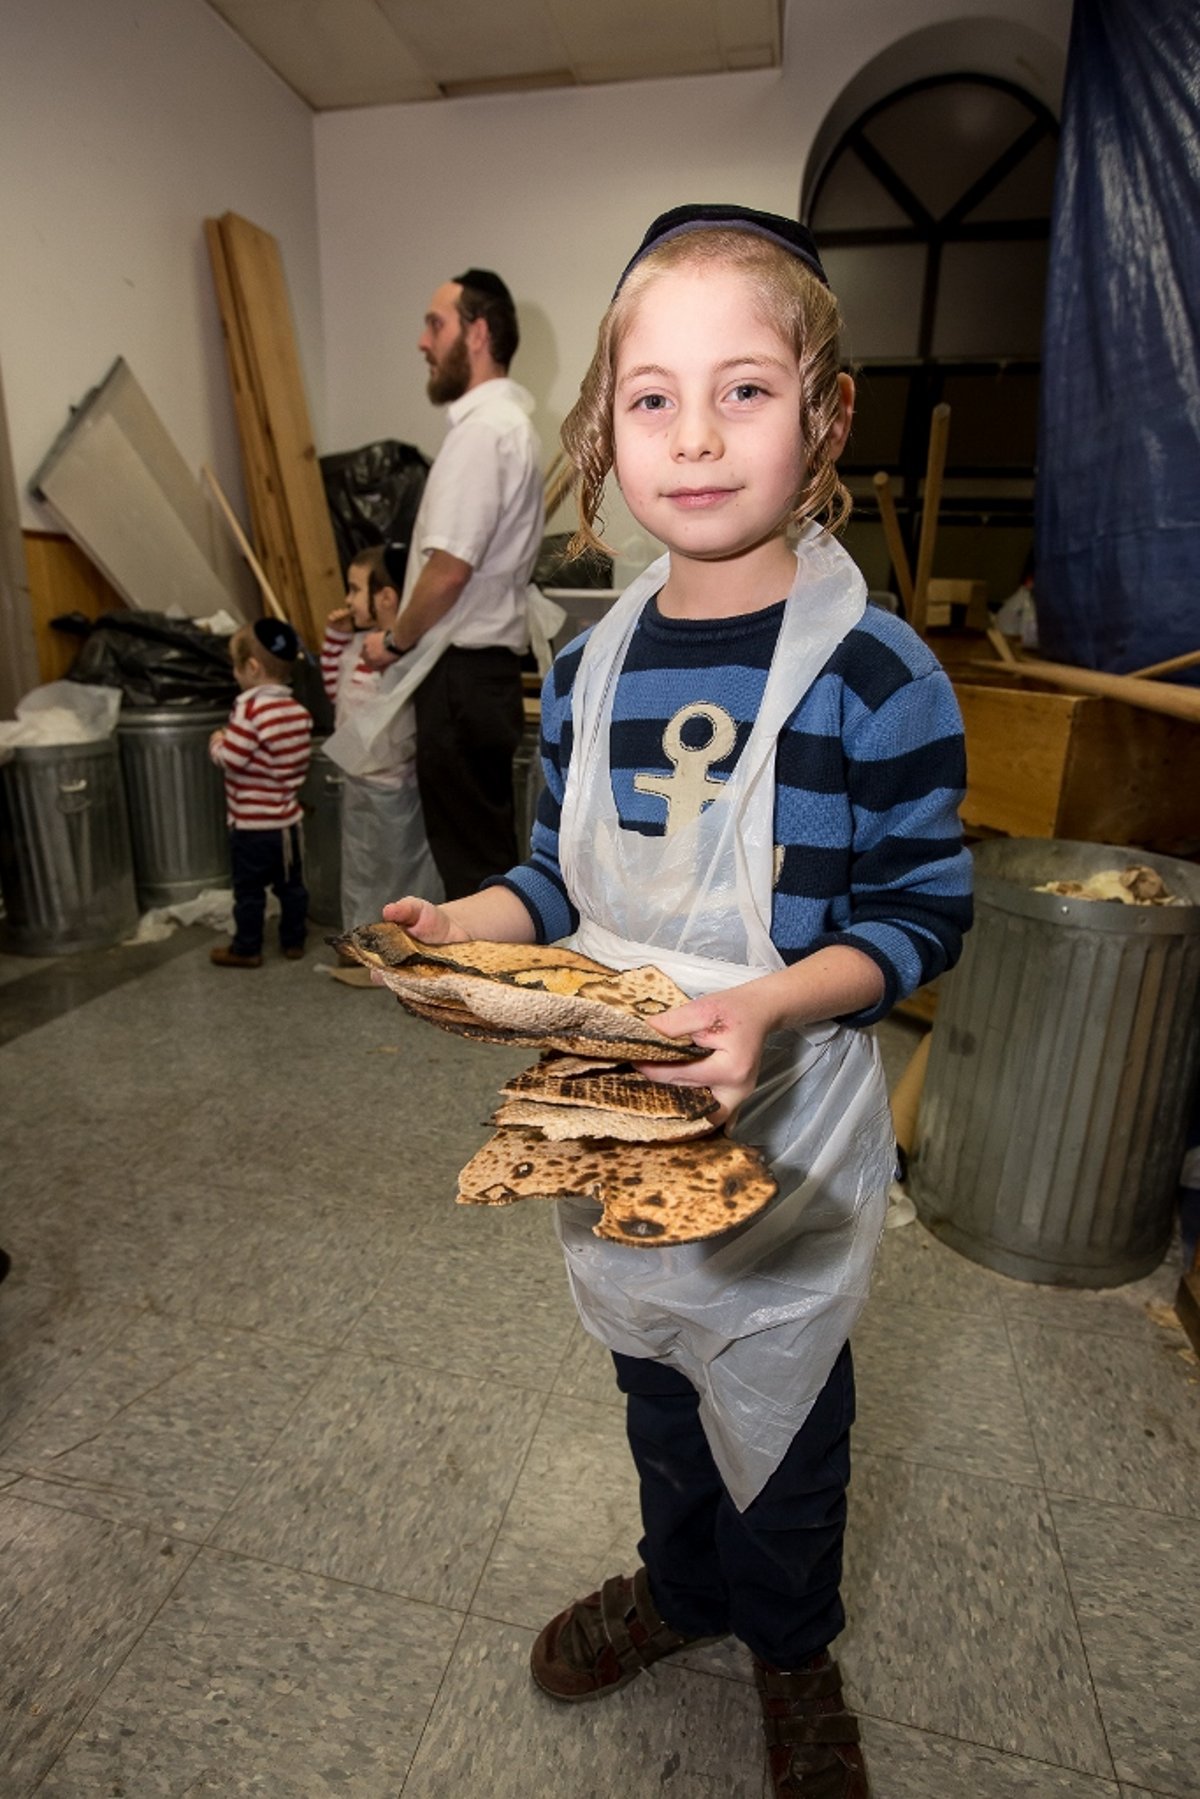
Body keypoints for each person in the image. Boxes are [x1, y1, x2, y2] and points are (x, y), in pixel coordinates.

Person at [378, 204, 973, 1798]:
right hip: (621, 1130)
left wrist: (777, 1002)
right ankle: (682, 1587)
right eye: (654, 396)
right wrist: (470, 924)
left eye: (747, 391)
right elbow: (568, 886)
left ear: (827, 413)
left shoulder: (880, 678)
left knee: (782, 1429)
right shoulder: (592, 666)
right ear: (603, 425)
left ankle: (790, 1648)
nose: (696, 437)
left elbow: (925, 916)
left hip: (784, 1149)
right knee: (656, 1391)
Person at [350, 268, 545, 900]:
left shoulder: (483, 432)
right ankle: (497, 993)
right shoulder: (505, 427)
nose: (422, 342)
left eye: (436, 324)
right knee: (481, 856)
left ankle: (492, 996)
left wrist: (394, 641)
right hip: (477, 676)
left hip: (459, 677)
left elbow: (448, 570)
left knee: (473, 873)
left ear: (479, 332)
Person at [320, 545, 441, 939]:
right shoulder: (358, 648)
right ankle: (365, 942)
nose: (348, 600)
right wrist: (335, 640)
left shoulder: (398, 654)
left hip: (395, 786)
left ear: (385, 597)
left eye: (355, 590)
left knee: (397, 869)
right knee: (363, 866)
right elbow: (335, 693)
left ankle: (401, 941)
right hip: (361, 784)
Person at [209, 617, 312, 968]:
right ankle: (294, 941)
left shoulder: (249, 708)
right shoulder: (297, 710)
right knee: (291, 888)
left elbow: (234, 759)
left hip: (252, 827)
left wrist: (218, 742)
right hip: (287, 825)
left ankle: (247, 947)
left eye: (236, 667)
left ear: (251, 667)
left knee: (249, 892)